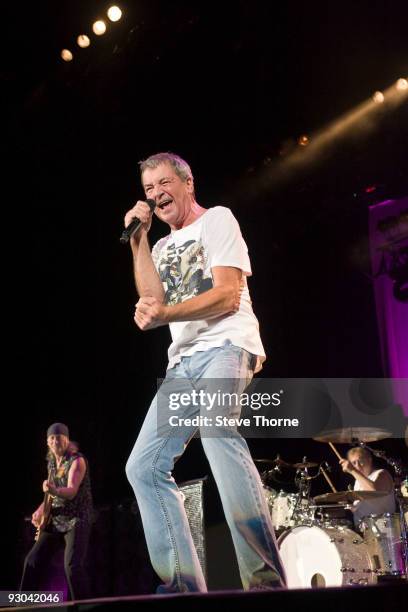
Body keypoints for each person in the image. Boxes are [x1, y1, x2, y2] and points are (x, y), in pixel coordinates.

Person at [124, 152, 286, 593]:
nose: (156, 195)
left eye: (162, 183)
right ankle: (182, 584)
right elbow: (152, 296)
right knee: (142, 467)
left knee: (217, 431)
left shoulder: (218, 220)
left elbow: (228, 294)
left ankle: (265, 581)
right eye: (148, 190)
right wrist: (139, 239)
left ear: (187, 182)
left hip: (227, 345)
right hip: (183, 362)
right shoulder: (159, 244)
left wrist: (164, 314)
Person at [20, 423, 93, 601]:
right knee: (32, 561)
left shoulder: (77, 461)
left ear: (66, 440)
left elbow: (71, 490)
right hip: (57, 518)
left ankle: (84, 605)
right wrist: (40, 510)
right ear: (47, 442)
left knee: (72, 567)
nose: (55, 441)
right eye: (51, 438)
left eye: (58, 438)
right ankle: (22, 604)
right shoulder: (52, 463)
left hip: (77, 519)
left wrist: (53, 491)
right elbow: (50, 495)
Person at [339, 446, 396, 525]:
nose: (358, 466)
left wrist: (352, 470)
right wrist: (351, 507)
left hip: (383, 528)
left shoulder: (382, 473)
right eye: (354, 463)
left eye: (361, 461)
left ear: (369, 460)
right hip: (364, 529)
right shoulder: (357, 482)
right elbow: (366, 507)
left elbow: (374, 492)